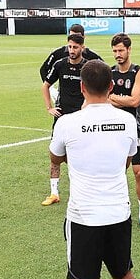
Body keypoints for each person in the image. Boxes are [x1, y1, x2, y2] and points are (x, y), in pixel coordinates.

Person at [49, 61, 140, 279]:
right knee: (123, 273)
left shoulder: (67, 122)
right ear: (112, 87)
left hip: (84, 216)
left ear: (81, 88)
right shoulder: (127, 121)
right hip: (119, 211)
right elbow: (128, 159)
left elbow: (56, 156)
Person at [108, 33, 140, 231]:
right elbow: (103, 100)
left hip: (133, 128)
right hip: (111, 128)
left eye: (121, 50)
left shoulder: (139, 72)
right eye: (115, 51)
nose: (118, 54)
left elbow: (135, 101)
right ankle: (114, 208)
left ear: (129, 50)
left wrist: (113, 98)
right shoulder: (109, 73)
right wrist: (117, 99)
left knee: (139, 172)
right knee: (114, 171)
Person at [42, 32, 90, 206]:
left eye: (75, 47)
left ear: (82, 48)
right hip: (61, 118)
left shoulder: (88, 67)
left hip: (80, 118)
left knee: (79, 156)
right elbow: (45, 85)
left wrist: (87, 107)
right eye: (70, 46)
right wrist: (49, 107)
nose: (71, 50)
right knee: (55, 156)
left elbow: (94, 90)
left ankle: (81, 192)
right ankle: (54, 193)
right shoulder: (60, 65)